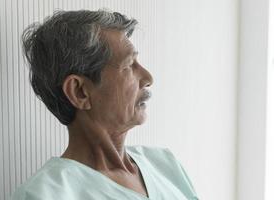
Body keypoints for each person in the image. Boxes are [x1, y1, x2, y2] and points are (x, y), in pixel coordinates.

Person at [11, 9, 199, 200]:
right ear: (80, 92)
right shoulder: (45, 195)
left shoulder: (164, 164)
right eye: (129, 65)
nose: (148, 78)